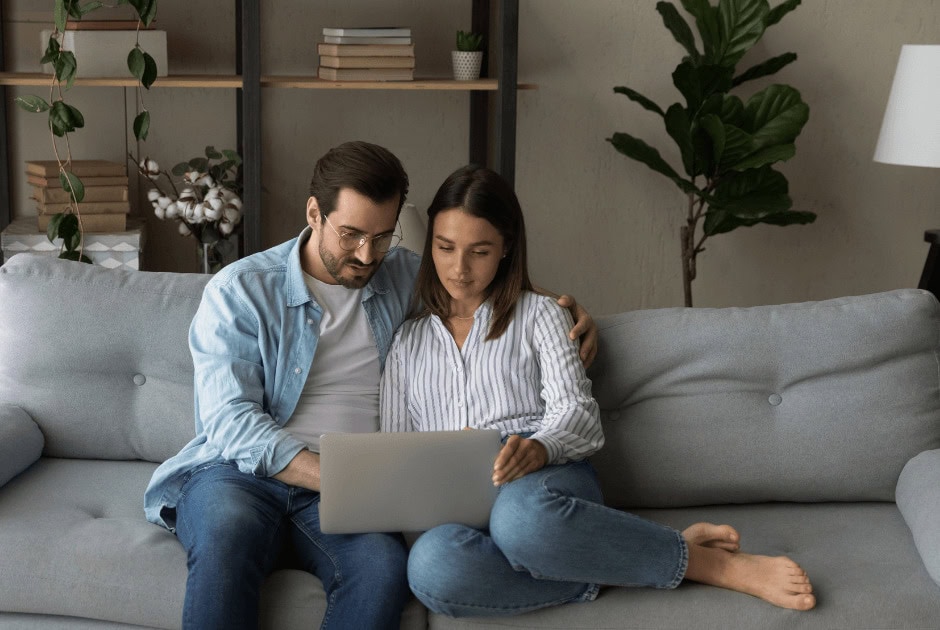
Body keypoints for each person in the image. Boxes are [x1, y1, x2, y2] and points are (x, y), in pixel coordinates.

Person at [143, 141, 598, 630]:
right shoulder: (241, 290)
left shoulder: (403, 274)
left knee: (381, 569)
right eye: (351, 234)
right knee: (226, 535)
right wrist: (332, 475)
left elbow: (486, 282)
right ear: (314, 213)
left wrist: (569, 310)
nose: (366, 254)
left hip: (353, 490)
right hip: (240, 476)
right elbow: (229, 420)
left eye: (382, 237)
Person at [380, 164, 817, 617]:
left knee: (520, 521)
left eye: (480, 251)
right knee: (431, 566)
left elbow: (579, 414)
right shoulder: (407, 343)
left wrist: (540, 448)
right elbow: (393, 452)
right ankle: (631, 559)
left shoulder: (540, 315)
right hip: (456, 511)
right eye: (445, 247)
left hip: (542, 487)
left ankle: (708, 566)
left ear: (507, 248)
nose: (459, 269)